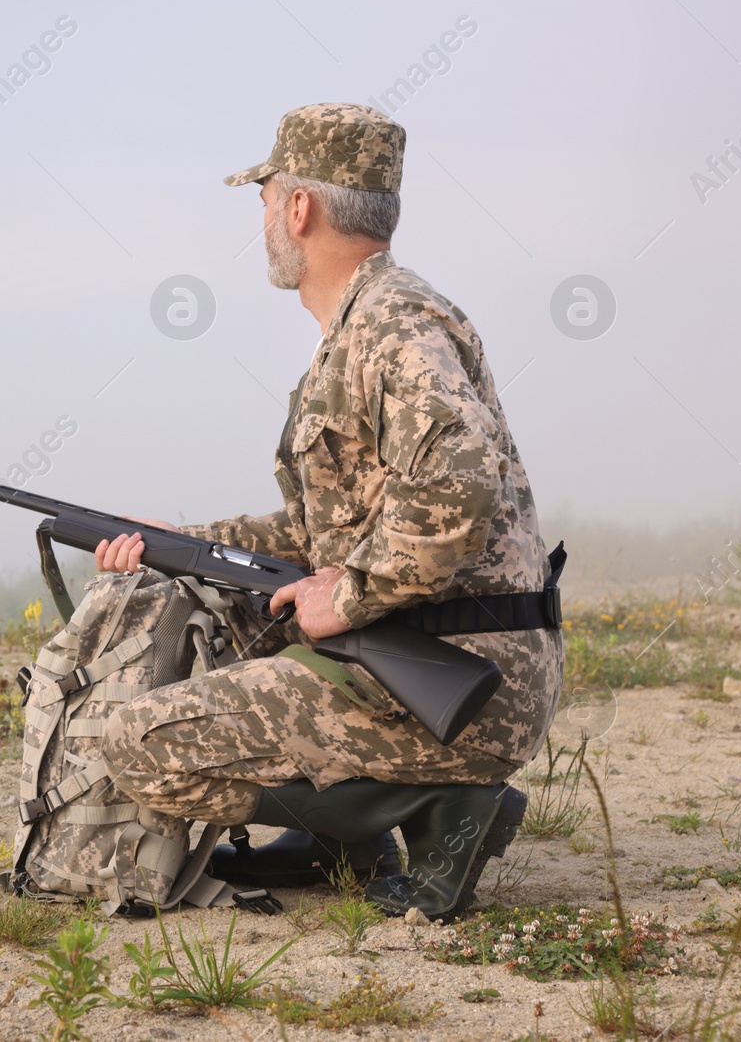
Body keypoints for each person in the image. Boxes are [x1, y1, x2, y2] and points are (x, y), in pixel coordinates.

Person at [94, 103, 564, 919]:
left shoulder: (393, 326)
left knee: (136, 743)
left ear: (299, 208)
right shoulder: (361, 325)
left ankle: (443, 807)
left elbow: (461, 488)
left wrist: (344, 596)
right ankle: (340, 838)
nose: (264, 219)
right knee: (241, 613)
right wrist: (176, 543)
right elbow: (313, 536)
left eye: (266, 198)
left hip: (462, 689)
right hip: (427, 662)